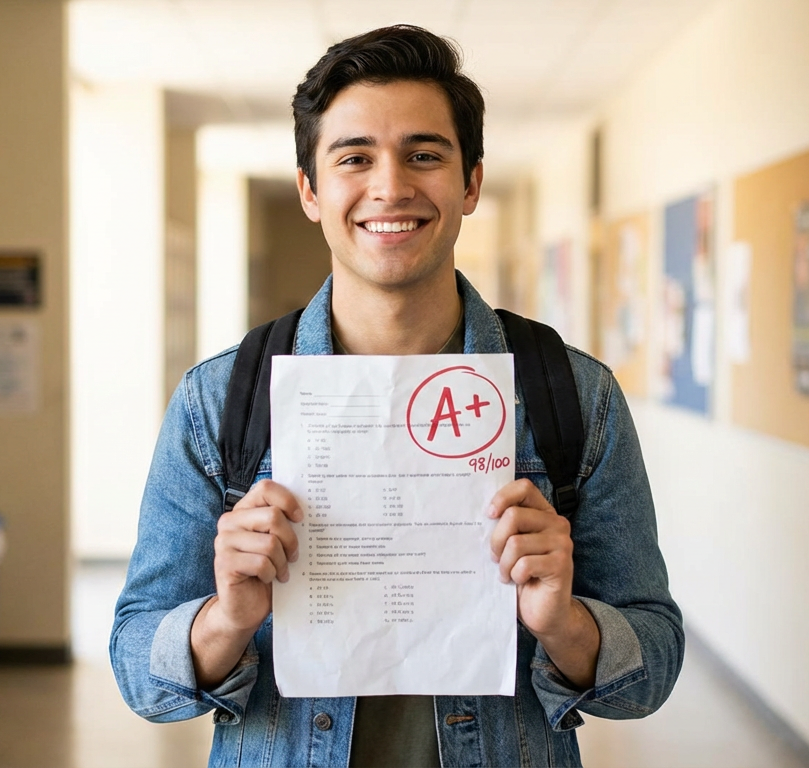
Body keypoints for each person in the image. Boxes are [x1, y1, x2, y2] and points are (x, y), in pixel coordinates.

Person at [111, 24, 683, 767]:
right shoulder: (219, 399)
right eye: (355, 158)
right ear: (312, 191)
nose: (390, 186)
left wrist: (564, 622)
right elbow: (136, 667)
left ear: (470, 182)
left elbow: (654, 665)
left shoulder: (574, 394)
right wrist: (227, 618)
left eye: (424, 155)